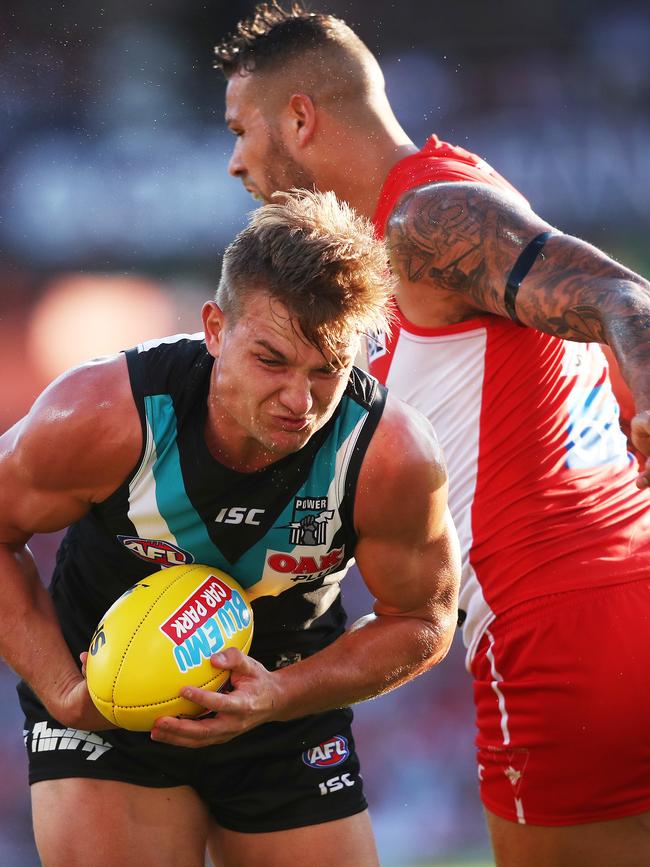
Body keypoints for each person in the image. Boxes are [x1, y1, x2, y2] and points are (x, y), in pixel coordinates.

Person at [215, 5, 650, 867]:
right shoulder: (420, 229)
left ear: (300, 118)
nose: (235, 161)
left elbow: (623, 297)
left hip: (553, 631)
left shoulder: (428, 220)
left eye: (240, 131)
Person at [0, 190, 461, 867]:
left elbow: (424, 617)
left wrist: (281, 696)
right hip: (110, 706)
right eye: (271, 359)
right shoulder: (102, 412)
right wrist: (64, 689)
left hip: (283, 700)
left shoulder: (391, 455)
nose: (298, 402)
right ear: (215, 328)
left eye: (327, 369)